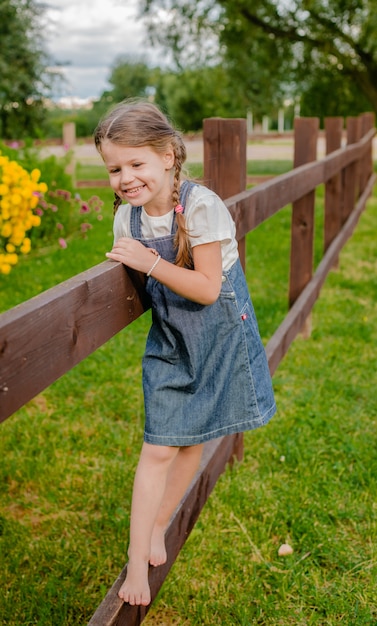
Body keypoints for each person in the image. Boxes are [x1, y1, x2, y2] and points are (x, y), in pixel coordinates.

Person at [94, 100, 276, 607]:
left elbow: (208, 288)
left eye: (136, 164)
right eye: (114, 168)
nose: (126, 178)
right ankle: (136, 563)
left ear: (169, 155)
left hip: (218, 333)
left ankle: (157, 526)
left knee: (194, 438)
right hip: (171, 340)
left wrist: (149, 263)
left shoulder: (200, 206)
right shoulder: (126, 220)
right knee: (157, 447)